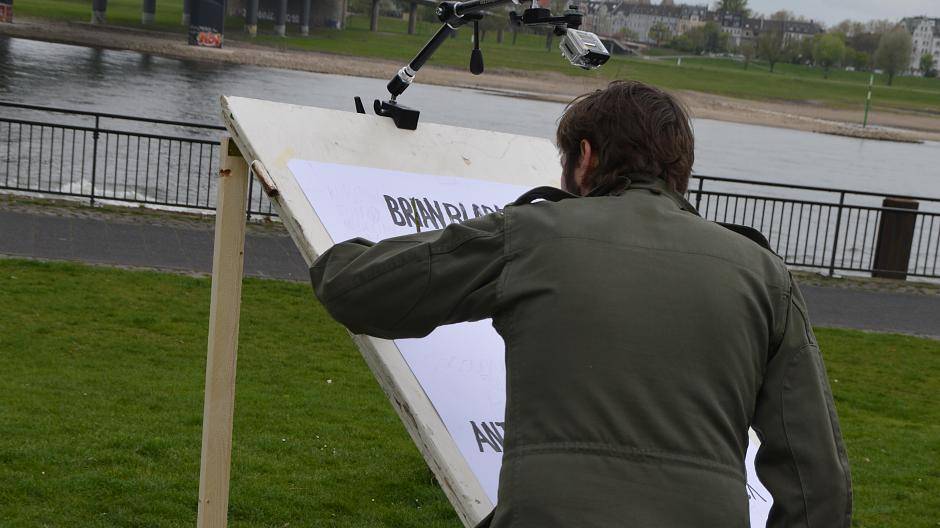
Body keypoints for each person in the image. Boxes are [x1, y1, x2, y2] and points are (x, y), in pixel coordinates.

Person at [309, 80, 852, 527]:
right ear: (679, 170)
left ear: (585, 157)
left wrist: (339, 246)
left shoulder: (533, 235)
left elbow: (356, 289)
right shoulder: (763, 274)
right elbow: (817, 482)